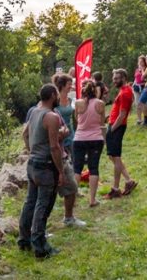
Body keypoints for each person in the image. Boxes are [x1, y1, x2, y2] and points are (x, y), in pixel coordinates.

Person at [17, 84, 66, 258]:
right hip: (46, 166)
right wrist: (60, 171)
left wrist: (31, 150)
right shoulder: (51, 116)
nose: (59, 97)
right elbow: (54, 147)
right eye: (57, 94)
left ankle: (24, 239)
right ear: (53, 95)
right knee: (42, 206)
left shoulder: (34, 112)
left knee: (30, 202)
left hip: (32, 164)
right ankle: (40, 247)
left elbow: (25, 134)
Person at [50, 73, 85, 228]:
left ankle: (72, 189)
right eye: (69, 84)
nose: (71, 86)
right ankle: (66, 190)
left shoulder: (70, 100)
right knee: (64, 166)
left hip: (70, 136)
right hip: (59, 139)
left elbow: (73, 119)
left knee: (73, 163)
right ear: (62, 85)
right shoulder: (55, 102)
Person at [73, 78, 106, 208]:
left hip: (79, 138)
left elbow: (76, 119)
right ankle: (92, 199)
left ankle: (73, 199)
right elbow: (102, 122)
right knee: (93, 168)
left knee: (77, 168)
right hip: (95, 138)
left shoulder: (78, 103)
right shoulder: (100, 104)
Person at [105, 69, 137, 199]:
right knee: (112, 156)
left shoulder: (125, 92)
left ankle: (116, 189)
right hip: (115, 125)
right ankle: (129, 181)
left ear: (123, 78)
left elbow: (122, 115)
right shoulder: (125, 90)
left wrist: (112, 129)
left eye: (117, 78)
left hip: (117, 127)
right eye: (114, 78)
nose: (114, 80)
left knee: (116, 157)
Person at [133, 56, 147, 125]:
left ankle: (145, 119)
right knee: (137, 104)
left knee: (144, 103)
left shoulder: (146, 69)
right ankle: (139, 119)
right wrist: (133, 84)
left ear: (144, 62)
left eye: (141, 61)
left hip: (143, 86)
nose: (140, 63)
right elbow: (136, 78)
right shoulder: (137, 69)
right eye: (139, 61)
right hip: (136, 87)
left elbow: (145, 78)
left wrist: (142, 70)